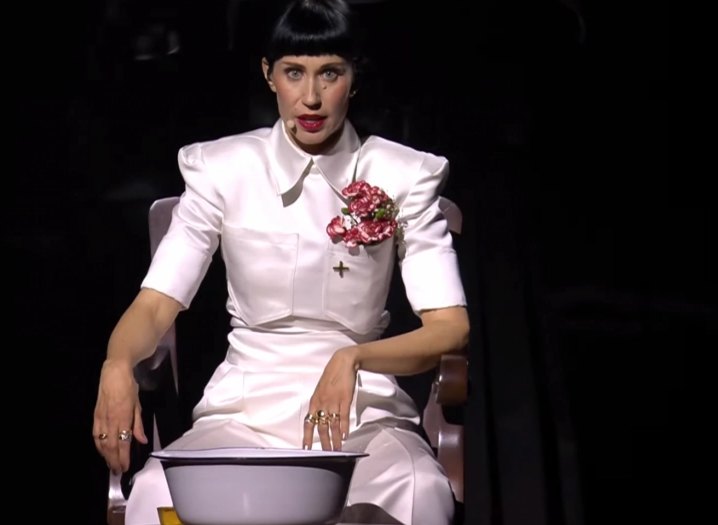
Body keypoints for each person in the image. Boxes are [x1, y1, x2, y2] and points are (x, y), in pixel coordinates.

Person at [92, 1, 470, 523]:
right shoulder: (222, 168)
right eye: (295, 73)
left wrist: (353, 359)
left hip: (364, 414)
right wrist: (117, 363)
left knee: (417, 490)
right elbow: (156, 305)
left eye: (329, 73)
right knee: (156, 493)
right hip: (243, 412)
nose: (311, 97)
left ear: (354, 79)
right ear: (269, 75)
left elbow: (451, 327)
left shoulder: (403, 173)